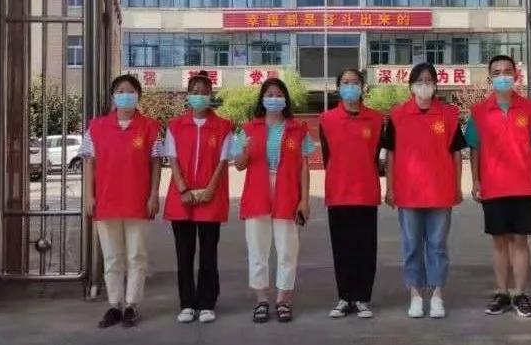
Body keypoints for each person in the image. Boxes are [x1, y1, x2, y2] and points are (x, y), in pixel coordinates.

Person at [465, 55, 531, 318]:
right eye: (497, 72)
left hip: (523, 185)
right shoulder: (479, 112)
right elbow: (475, 148)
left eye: (507, 71)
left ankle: (520, 293)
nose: (503, 76)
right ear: (490, 78)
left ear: (516, 74)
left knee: (520, 241)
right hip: (493, 186)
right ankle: (501, 292)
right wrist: (476, 180)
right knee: (500, 242)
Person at [384, 62, 467, 319]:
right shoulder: (397, 115)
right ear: (411, 86)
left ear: (436, 85)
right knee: (411, 246)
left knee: (437, 245)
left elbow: (456, 154)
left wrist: (457, 187)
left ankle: (437, 295)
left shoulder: (448, 115)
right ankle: (416, 295)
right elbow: (391, 154)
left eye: (429, 80)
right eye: (419, 81)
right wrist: (390, 188)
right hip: (408, 194)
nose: (424, 85)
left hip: (440, 193)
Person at [81, 74, 163, 328]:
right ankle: (114, 304)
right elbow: (89, 162)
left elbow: (156, 163)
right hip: (106, 201)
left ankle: (131, 305)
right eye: (120, 90)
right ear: (113, 96)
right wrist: (89, 195)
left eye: (130, 90)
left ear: (138, 96)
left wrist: (153, 195)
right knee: (112, 257)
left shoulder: (150, 127)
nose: (125, 95)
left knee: (136, 255)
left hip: (138, 201)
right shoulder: (96, 127)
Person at [233, 78, 315, 324]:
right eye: (269, 94)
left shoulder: (298, 129)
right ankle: (261, 300)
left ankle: (283, 300)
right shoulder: (248, 129)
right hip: (257, 194)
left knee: (287, 249)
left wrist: (304, 200)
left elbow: (304, 166)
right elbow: (239, 165)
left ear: (285, 99)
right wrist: (244, 150)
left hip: (287, 193)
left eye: (279, 94)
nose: (274, 99)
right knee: (257, 250)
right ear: (262, 99)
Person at [163, 71, 233, 324]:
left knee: (208, 254)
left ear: (211, 95)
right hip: (181, 198)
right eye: (195, 92)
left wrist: (210, 189)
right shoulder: (175, 126)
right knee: (184, 254)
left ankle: (206, 303)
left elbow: (223, 161)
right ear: (187, 95)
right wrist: (183, 189)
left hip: (210, 197)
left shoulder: (223, 127)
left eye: (204, 92)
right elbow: (172, 158)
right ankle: (187, 304)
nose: (199, 96)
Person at [319, 68, 384, 320]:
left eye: (355, 82)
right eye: (345, 82)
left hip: (366, 192)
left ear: (362, 87)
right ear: (338, 87)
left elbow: (376, 156)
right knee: (342, 248)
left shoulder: (376, 119)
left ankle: (362, 298)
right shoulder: (327, 119)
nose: (350, 86)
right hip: (338, 192)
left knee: (365, 248)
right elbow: (327, 156)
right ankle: (345, 297)